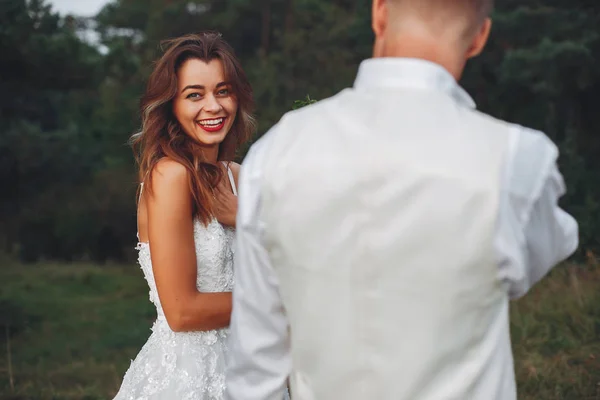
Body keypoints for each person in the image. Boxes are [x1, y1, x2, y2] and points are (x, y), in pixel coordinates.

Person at [224, 0, 579, 399]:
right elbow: (546, 250)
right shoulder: (516, 162)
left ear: (379, 13)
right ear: (479, 38)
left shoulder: (276, 153)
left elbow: (255, 371)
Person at [113, 32, 255, 399]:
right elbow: (181, 312)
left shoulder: (240, 176)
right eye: (195, 94)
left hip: (249, 371)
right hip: (188, 379)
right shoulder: (170, 175)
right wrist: (285, 298)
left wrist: (247, 220)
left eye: (223, 91)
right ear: (171, 105)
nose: (214, 106)